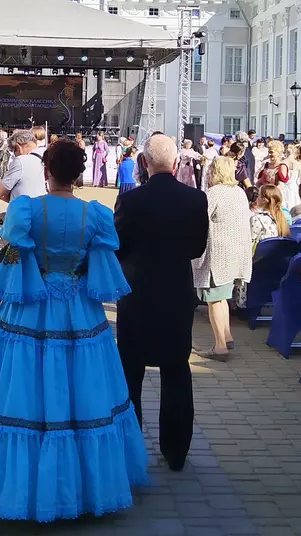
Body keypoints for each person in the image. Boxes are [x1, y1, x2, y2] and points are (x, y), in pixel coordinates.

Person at [0, 139, 148, 520]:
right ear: (79, 175)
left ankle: (13, 488)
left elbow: (14, 256)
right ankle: (80, 487)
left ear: (46, 171)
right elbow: (99, 263)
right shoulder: (94, 215)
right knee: (80, 389)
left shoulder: (27, 210)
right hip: (79, 313)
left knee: (20, 387)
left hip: (30, 309)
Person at [114, 134, 208, 472]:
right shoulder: (196, 199)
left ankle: (129, 451)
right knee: (177, 371)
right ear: (177, 162)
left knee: (129, 374)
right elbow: (197, 248)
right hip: (176, 295)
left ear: (143, 163)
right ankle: (176, 452)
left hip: (136, 294)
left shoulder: (130, 200)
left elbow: (117, 247)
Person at [192, 156, 251, 358]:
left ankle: (219, 346)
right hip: (236, 253)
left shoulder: (214, 193)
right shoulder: (240, 192)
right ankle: (226, 336)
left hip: (218, 255)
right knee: (222, 296)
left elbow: (199, 220)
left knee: (214, 299)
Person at [0, 129, 46, 202]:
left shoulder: (20, 161)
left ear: (18, 147)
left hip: (24, 210)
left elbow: (0, 193)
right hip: (45, 209)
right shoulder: (48, 156)